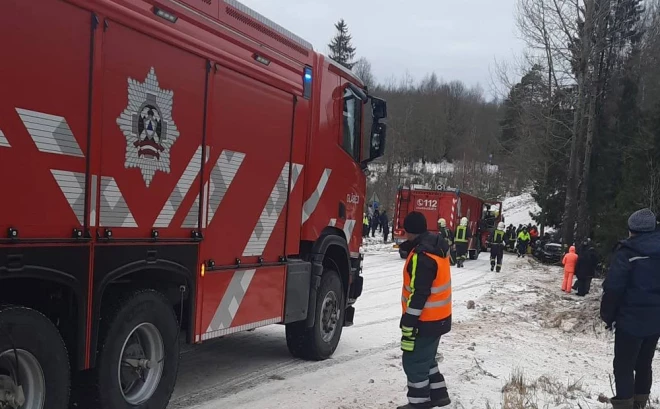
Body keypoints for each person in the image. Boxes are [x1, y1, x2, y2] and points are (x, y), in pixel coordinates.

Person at [601, 208, 660, 409]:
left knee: (624, 366)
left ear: (631, 230)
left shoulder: (627, 252)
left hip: (630, 321)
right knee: (644, 364)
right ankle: (639, 405)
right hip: (655, 321)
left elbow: (613, 288)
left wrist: (607, 316)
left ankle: (626, 406)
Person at [399, 211, 452, 409]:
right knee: (427, 359)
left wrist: (409, 321)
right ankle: (439, 395)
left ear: (408, 231)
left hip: (424, 320)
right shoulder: (435, 247)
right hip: (439, 318)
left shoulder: (422, 256)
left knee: (413, 362)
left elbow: (419, 293)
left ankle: (419, 403)